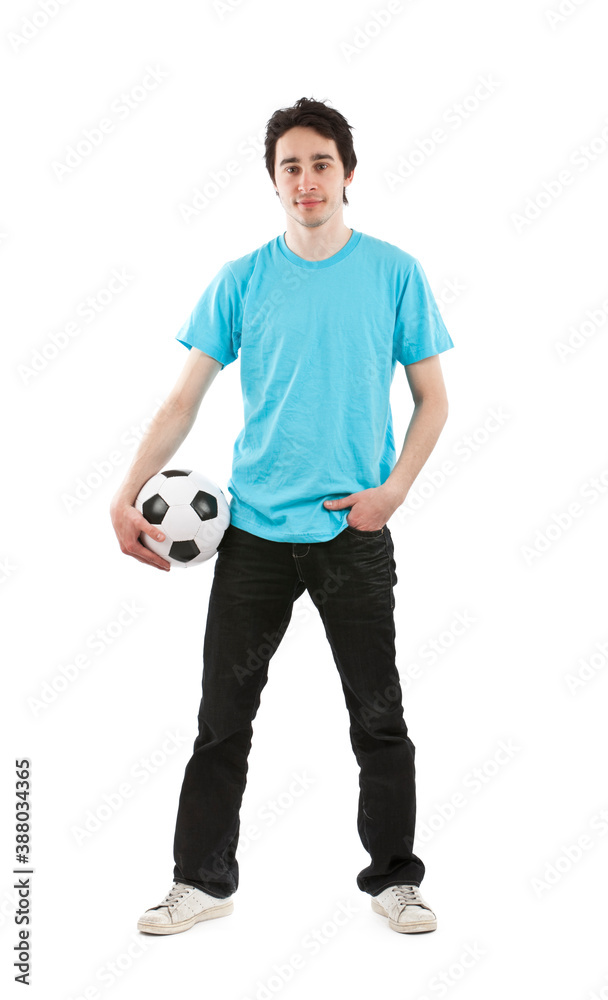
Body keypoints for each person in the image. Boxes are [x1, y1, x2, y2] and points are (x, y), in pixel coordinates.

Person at [110, 96, 454, 936]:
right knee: (221, 719)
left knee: (379, 716)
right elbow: (183, 399)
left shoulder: (395, 272)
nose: (307, 180)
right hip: (255, 532)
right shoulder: (241, 280)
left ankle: (394, 880)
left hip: (353, 531)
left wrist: (394, 491)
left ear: (347, 173)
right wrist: (125, 492)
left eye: (321, 163)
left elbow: (433, 400)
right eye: (290, 166)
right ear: (274, 180)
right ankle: (202, 880)